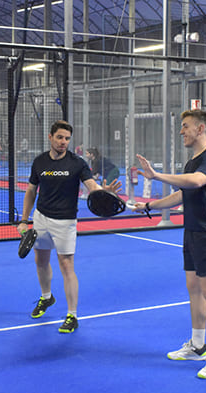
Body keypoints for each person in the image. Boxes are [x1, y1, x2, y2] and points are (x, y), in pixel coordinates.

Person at [132, 109, 206, 379]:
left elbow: (198, 181)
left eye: (185, 126)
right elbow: (182, 195)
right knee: (194, 288)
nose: (181, 131)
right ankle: (198, 346)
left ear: (201, 129)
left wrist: (157, 175)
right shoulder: (192, 163)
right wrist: (150, 206)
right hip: (192, 230)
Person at [17, 120, 121, 334]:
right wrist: (24, 220)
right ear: (50, 137)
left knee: (66, 265)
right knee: (40, 260)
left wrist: (103, 192)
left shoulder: (77, 163)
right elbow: (31, 191)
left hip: (65, 222)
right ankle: (46, 297)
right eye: (59, 137)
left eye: (66, 139)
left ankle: (72, 315)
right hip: (41, 217)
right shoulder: (39, 162)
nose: (63, 142)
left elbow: (91, 186)